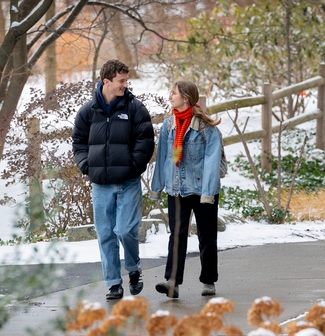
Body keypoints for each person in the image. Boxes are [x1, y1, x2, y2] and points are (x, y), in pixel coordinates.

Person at [72, 59, 154, 300]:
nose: (125, 85)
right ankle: (113, 283)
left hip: (128, 181)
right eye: (121, 81)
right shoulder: (88, 111)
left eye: (126, 80)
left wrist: (133, 166)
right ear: (105, 81)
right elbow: (78, 141)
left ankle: (133, 267)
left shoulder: (135, 108)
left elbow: (146, 141)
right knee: (106, 232)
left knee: (126, 229)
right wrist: (86, 165)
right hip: (100, 184)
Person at [150, 80, 222, 298]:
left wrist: (208, 193)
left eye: (174, 93)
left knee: (207, 236)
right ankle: (172, 282)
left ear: (186, 98)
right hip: (177, 189)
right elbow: (164, 157)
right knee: (177, 235)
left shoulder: (206, 128)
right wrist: (158, 187)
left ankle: (208, 281)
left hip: (202, 190)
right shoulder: (168, 125)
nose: (170, 97)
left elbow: (212, 161)